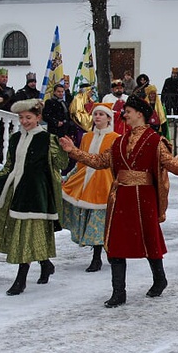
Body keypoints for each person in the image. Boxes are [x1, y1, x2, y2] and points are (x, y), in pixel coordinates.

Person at [58, 96, 178, 307]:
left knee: (149, 240)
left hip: (143, 197)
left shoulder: (155, 141)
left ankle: (159, 279)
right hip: (120, 197)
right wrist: (73, 151)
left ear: (140, 114)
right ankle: (119, 292)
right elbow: (99, 161)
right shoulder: (119, 141)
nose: (124, 115)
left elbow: (170, 163)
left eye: (128, 111)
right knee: (115, 243)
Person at [0, 98, 69, 295]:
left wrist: (64, 149)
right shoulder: (16, 138)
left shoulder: (47, 139)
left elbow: (60, 164)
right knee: (24, 233)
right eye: (21, 117)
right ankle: (45, 264)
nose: (25, 121)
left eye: (29, 117)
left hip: (36, 194)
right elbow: (9, 167)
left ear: (38, 117)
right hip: (17, 191)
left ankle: (21, 279)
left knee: (26, 234)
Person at [60, 103, 120, 272]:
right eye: (95, 114)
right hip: (86, 181)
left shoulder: (115, 137)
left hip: (104, 182)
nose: (98, 117)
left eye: (102, 114)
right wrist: (70, 176)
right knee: (91, 218)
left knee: (99, 219)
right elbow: (81, 160)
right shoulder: (86, 137)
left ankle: (99, 256)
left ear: (109, 118)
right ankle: (96, 254)